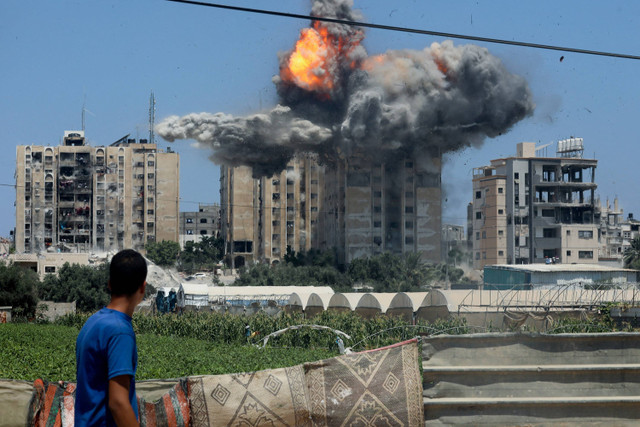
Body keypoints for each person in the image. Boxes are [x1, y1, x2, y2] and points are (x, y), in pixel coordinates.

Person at [75, 249, 147, 426]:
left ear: (109, 284)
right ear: (143, 288)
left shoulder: (93, 322)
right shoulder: (120, 332)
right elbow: (118, 403)